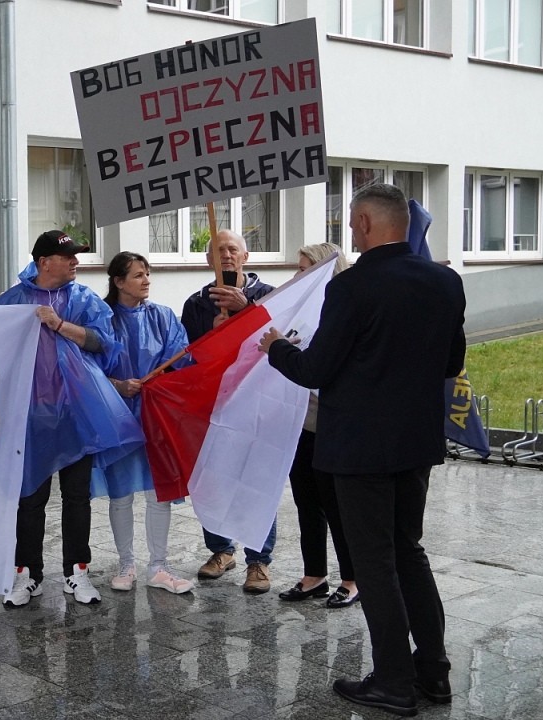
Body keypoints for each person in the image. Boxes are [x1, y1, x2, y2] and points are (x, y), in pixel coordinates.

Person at [262, 183, 465, 716]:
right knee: (408, 553)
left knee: (374, 564)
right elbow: (450, 363)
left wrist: (275, 347)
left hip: (358, 449)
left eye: (351, 223)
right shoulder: (446, 281)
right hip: (415, 443)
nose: (349, 231)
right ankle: (434, 674)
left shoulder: (352, 287)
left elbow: (315, 370)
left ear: (367, 223)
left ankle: (394, 682)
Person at [0, 230, 132, 608]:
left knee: (77, 497)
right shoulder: (14, 301)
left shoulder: (83, 298)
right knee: (30, 498)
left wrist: (58, 324)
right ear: (43, 262)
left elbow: (103, 342)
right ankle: (27, 575)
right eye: (67, 256)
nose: (75, 261)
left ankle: (77, 572)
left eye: (76, 255)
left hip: (77, 413)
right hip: (31, 416)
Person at [180, 229, 278, 594]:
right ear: (208, 261)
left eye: (232, 249)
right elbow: (189, 357)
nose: (226, 255)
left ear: (246, 256)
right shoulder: (196, 304)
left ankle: (259, 561)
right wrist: (213, 335)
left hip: (257, 405)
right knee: (213, 478)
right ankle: (221, 550)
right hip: (215, 404)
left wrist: (245, 312)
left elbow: (281, 340)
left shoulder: (268, 297)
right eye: (217, 251)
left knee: (256, 483)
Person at [94, 252, 195, 595]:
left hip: (155, 415)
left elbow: (183, 360)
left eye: (147, 274)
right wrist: (118, 386)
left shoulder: (164, 316)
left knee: (159, 491)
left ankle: (159, 565)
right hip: (117, 416)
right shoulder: (102, 320)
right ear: (118, 282)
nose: (146, 280)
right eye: (138, 275)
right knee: (120, 493)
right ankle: (126, 562)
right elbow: (88, 369)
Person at [277, 243, 359, 610]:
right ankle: (314, 575)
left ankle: (352, 578)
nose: (298, 276)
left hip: (334, 422)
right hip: (301, 421)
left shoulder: (342, 310)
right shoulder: (300, 309)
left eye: (306, 269)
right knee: (306, 501)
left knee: (336, 504)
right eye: (298, 268)